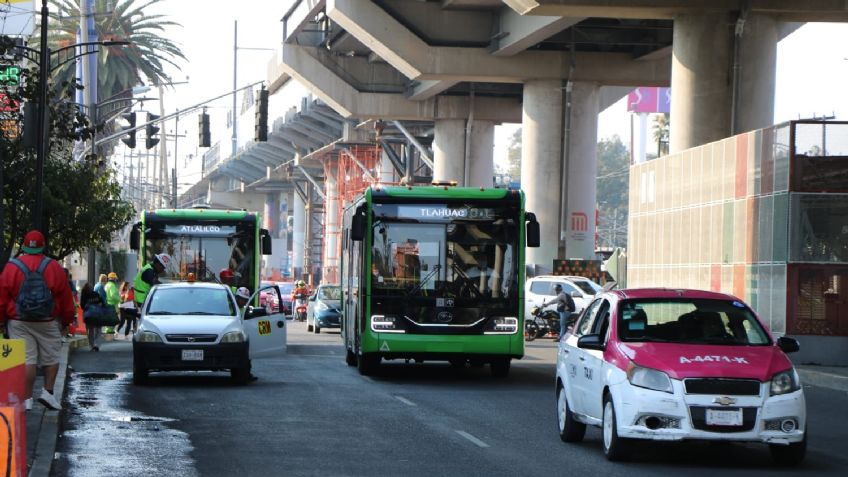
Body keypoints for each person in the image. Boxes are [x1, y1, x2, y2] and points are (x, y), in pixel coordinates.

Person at [0, 230, 75, 411]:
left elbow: (2, 297)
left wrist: (2, 322)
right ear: (43, 246)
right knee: (51, 358)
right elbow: (66, 297)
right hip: (47, 321)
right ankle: (47, 393)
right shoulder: (54, 267)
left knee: (27, 359)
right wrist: (66, 321)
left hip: (19, 320)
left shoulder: (12, 267)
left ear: (24, 245)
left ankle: (26, 399)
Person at [80, 282, 105, 351]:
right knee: (98, 330)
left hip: (88, 316)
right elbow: (103, 303)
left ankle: (92, 345)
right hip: (97, 315)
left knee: (90, 331)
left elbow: (82, 305)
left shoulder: (84, 296)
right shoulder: (96, 294)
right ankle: (96, 345)